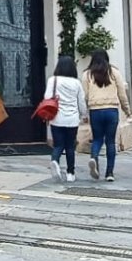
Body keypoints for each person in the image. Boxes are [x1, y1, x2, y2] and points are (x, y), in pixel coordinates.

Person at [82, 49, 131, 182]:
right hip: (111, 110)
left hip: (95, 111)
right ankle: (109, 173)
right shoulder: (114, 72)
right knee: (110, 142)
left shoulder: (87, 74)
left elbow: (85, 96)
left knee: (97, 139)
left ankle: (94, 157)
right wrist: (127, 109)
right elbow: (122, 94)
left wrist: (85, 113)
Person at [44, 55, 88, 183]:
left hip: (57, 118)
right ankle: (70, 173)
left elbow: (47, 97)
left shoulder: (53, 80)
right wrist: (84, 115)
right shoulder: (76, 83)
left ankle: (55, 161)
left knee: (58, 145)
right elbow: (81, 102)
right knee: (70, 146)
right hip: (72, 119)